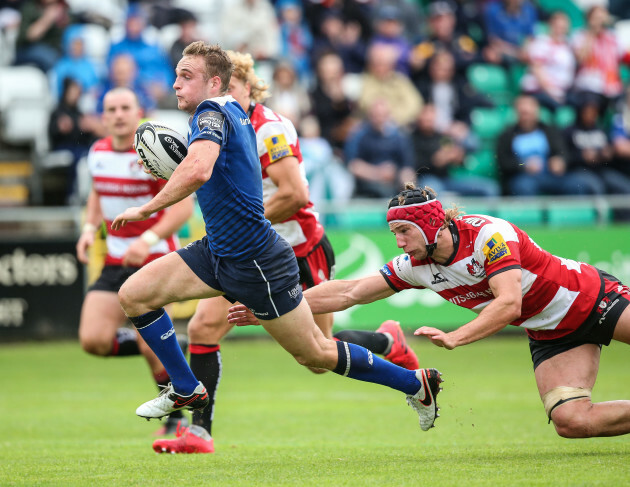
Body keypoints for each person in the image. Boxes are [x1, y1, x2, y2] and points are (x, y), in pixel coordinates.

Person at [111, 41, 442, 448]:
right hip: (218, 250)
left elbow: (199, 169)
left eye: (186, 76)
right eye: (176, 74)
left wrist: (148, 208)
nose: (175, 84)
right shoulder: (230, 113)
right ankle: (185, 389)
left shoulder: (213, 111)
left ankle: (415, 382)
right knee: (134, 296)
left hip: (256, 261)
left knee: (317, 354)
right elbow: (208, 170)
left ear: (215, 82)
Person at [228, 183, 630, 439]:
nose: (399, 243)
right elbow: (350, 292)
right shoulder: (416, 266)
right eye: (394, 233)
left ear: (432, 223)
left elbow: (510, 303)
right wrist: (274, 305)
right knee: (571, 422)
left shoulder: (490, 236)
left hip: (592, 299)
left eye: (404, 231)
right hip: (553, 334)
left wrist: (457, 336)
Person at [76, 87, 194, 435]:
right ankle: (170, 344)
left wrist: (147, 239)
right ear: (103, 116)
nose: (118, 114)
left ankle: (175, 415)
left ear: (138, 111)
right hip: (115, 260)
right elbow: (98, 192)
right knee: (93, 340)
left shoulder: (153, 152)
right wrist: (87, 229)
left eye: (125, 107)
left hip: (155, 259)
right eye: (110, 108)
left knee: (148, 342)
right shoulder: (97, 152)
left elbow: (183, 208)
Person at [496, 95, 589, 196]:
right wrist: (524, 165)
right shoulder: (507, 135)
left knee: (576, 184)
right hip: (522, 177)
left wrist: (560, 161)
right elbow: (504, 162)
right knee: (523, 187)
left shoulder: (549, 131)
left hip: (550, 175)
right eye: (523, 113)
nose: (526, 117)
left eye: (529, 113)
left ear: (537, 111)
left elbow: (563, 152)